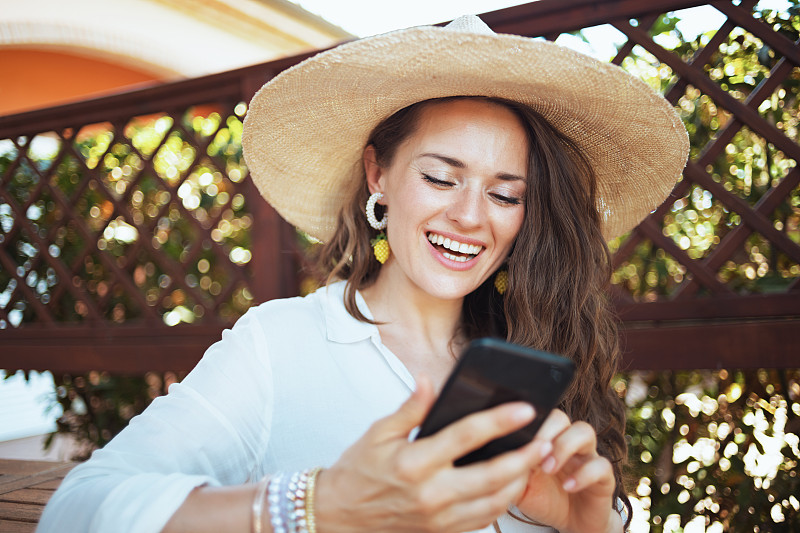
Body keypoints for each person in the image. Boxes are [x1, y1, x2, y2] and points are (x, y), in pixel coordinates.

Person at [37, 15, 688, 533]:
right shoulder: (280, 344)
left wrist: (589, 526)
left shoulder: (534, 353)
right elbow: (77, 511)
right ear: (379, 174)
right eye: (441, 176)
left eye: (505, 194)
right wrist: (318, 506)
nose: (469, 216)